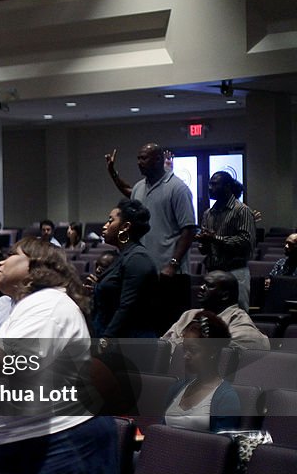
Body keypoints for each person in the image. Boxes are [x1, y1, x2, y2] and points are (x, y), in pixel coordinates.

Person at [0, 238, 119, 474]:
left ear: (37, 266)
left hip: (63, 441)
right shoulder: (22, 308)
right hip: (34, 441)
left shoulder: (49, 304)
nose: (2, 261)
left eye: (12, 255)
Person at [104, 144, 196, 275]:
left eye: (143, 158)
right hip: (143, 269)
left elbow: (189, 230)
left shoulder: (178, 188)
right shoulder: (139, 187)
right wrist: (113, 173)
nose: (139, 163)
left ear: (159, 159)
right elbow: (128, 191)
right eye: (138, 159)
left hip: (170, 272)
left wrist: (173, 264)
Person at [91, 199, 161, 340]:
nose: (105, 226)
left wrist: (106, 339)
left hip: (130, 345)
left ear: (125, 226)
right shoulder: (123, 256)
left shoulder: (138, 258)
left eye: (110, 221)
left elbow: (127, 307)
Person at [163, 311, 241, 432]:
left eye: (193, 350)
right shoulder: (175, 389)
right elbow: (160, 433)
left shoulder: (226, 398)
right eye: (185, 349)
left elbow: (222, 447)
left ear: (213, 352)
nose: (186, 356)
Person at [163, 271, 270, 351]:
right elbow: (163, 345)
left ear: (225, 295)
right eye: (202, 284)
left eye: (209, 285)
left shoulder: (239, 322)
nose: (201, 288)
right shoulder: (189, 314)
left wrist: (181, 343)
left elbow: (214, 354)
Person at [196, 171, 256, 310]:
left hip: (235, 272)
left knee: (237, 316)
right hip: (213, 272)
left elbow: (246, 242)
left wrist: (215, 239)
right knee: (212, 316)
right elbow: (204, 250)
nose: (210, 188)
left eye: (215, 184)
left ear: (227, 186)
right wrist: (204, 242)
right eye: (210, 184)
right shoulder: (208, 213)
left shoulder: (241, 210)